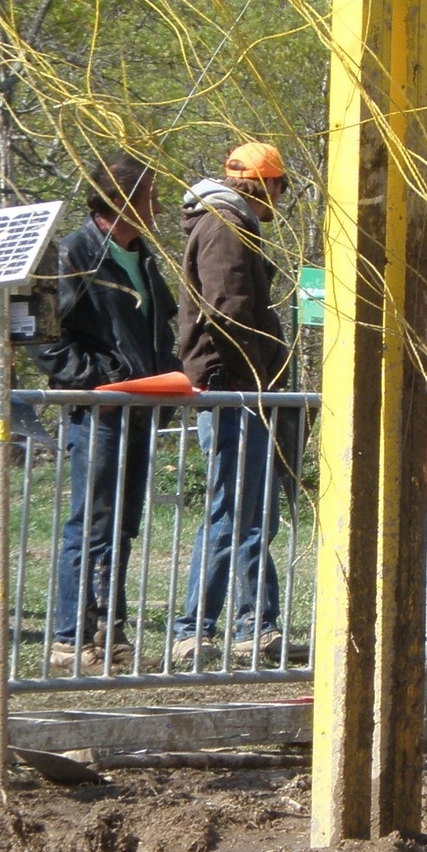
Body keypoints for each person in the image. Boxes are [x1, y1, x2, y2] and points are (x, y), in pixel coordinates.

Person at [39, 155, 175, 670]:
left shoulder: (140, 256)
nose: (157, 208)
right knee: (91, 523)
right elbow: (44, 341)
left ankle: (109, 630)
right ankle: (70, 635)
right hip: (97, 413)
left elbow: (154, 331)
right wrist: (103, 374)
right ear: (118, 202)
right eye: (149, 196)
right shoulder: (72, 254)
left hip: (137, 412)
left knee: (122, 525)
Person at [172, 141, 292, 663]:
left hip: (241, 387)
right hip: (234, 388)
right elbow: (230, 313)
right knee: (230, 510)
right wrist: (255, 380)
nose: (280, 200)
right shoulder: (226, 225)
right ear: (264, 184)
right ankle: (192, 629)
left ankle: (254, 626)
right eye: (281, 188)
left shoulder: (228, 220)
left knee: (252, 513)